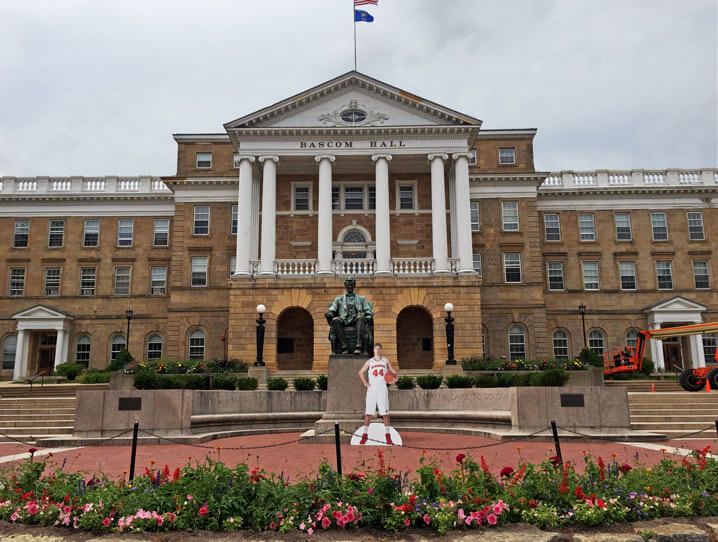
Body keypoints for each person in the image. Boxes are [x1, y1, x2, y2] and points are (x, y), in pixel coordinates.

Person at [358, 343, 397, 445]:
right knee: (368, 413)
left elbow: (393, 371)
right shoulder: (369, 361)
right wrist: (365, 383)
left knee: (385, 413)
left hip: (382, 387)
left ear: (381, 350)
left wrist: (395, 378)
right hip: (372, 388)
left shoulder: (385, 360)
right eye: (376, 349)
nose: (378, 351)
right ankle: (365, 435)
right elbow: (361, 372)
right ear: (373, 350)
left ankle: (388, 437)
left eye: (379, 349)